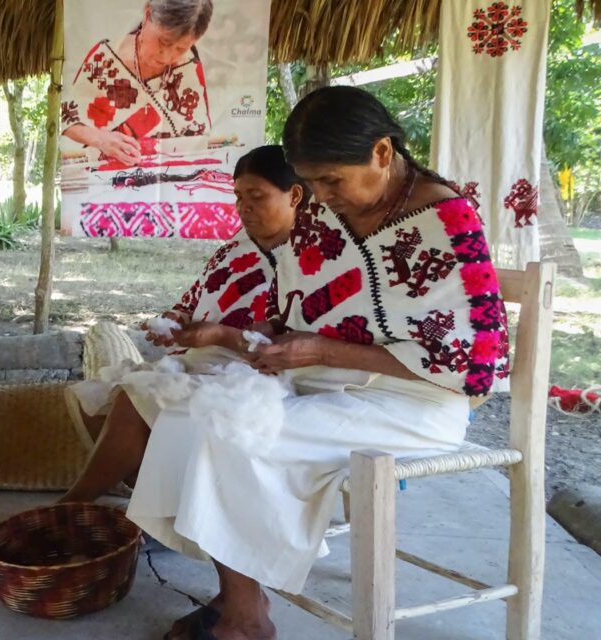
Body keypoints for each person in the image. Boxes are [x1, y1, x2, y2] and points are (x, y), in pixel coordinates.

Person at [58, 86, 510, 640]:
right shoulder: (326, 213)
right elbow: (299, 306)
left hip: (412, 403)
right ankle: (239, 603)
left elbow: (471, 368)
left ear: (383, 153)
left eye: (332, 180)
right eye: (313, 182)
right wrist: (259, 339)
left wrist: (319, 350)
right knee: (184, 416)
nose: (320, 196)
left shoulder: (446, 223)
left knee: (226, 431)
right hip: (322, 380)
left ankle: (245, 618)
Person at [66, 144, 304, 457]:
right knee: (96, 397)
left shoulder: (307, 261)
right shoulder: (234, 248)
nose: (243, 207)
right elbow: (193, 298)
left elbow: (288, 345)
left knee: (133, 399)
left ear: (295, 196)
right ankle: (138, 492)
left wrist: (221, 336)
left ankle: (80, 501)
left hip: (253, 377)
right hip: (201, 360)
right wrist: (176, 319)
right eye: (239, 197)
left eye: (257, 196)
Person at [61, 0, 215, 167]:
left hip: (177, 181)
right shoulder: (107, 59)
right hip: (110, 181)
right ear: (147, 15)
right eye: (163, 42)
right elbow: (66, 119)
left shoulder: (189, 66)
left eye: (180, 49)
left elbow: (199, 137)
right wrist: (100, 139)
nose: (166, 57)